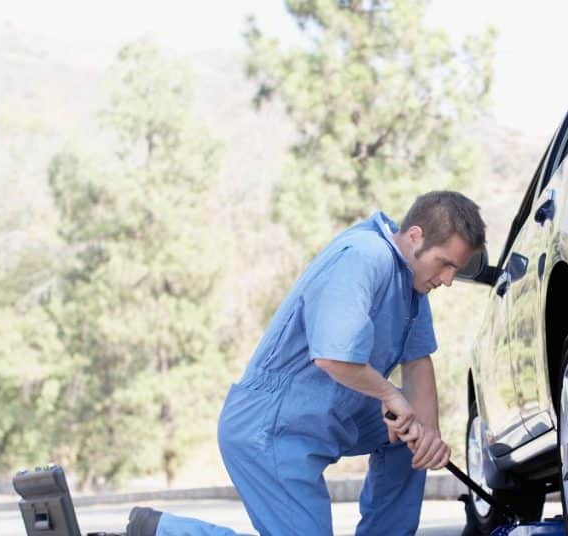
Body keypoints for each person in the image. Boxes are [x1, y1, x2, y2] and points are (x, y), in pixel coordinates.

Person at [127, 191, 487, 536]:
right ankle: (163, 531)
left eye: (456, 269)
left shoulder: (413, 283)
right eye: (445, 264)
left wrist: (431, 436)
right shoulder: (364, 255)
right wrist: (391, 398)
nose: (449, 280)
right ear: (414, 236)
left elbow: (418, 361)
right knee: (401, 412)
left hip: (331, 411)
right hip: (270, 424)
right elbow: (333, 356)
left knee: (412, 435)